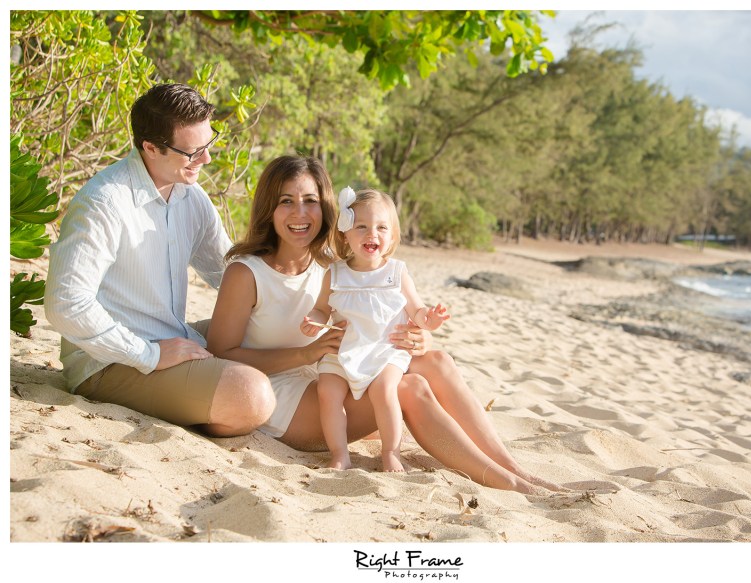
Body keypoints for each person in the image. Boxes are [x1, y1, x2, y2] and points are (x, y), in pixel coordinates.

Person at [207, 154, 565, 494]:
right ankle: (504, 481)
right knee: (410, 388)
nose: (300, 212)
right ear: (269, 208)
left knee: (435, 360)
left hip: (336, 372)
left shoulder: (336, 268)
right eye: (286, 201)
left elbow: (379, 315)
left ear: (328, 209)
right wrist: (305, 354)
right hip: (284, 402)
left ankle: (511, 467)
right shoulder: (247, 272)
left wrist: (417, 338)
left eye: (310, 201)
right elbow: (221, 353)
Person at [44, 83, 273, 437]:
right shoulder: (103, 202)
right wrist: (148, 355)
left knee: (271, 332)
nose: (206, 160)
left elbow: (230, 275)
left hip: (172, 338)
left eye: (208, 145)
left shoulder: (191, 196)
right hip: (109, 363)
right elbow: (65, 304)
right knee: (251, 395)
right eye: (193, 152)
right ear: (150, 147)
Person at [301, 187, 450, 472]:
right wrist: (313, 318)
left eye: (382, 228)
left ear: (392, 236)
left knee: (384, 390)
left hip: (384, 350)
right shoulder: (335, 273)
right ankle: (339, 453)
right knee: (328, 391)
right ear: (346, 233)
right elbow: (323, 309)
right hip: (343, 349)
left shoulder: (396, 272)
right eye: (362, 227)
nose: (373, 234)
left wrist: (430, 319)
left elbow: (417, 311)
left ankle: (390, 451)